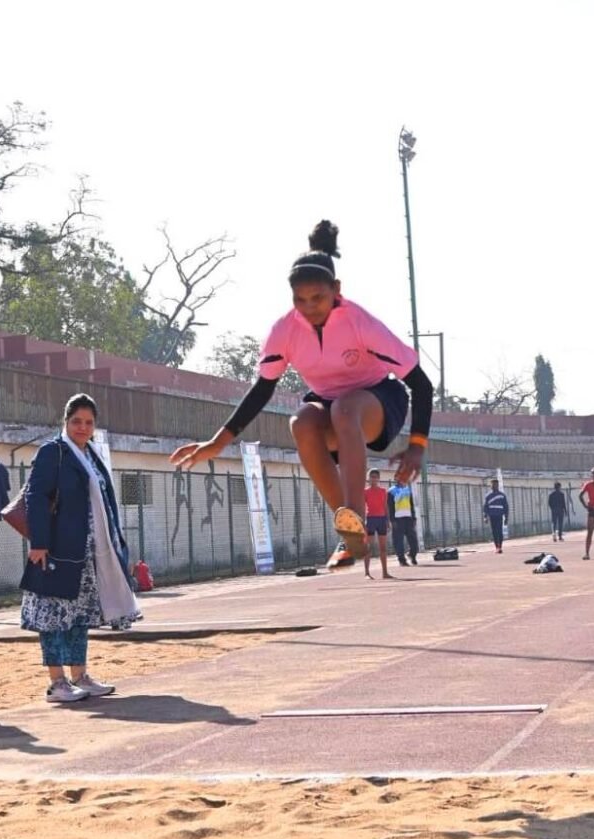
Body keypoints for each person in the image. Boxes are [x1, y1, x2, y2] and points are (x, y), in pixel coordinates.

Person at [168, 220, 434, 565]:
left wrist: (417, 447)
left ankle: (356, 514)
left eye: (318, 298)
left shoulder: (361, 323)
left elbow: (421, 384)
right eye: (300, 300)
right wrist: (219, 441)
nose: (310, 308)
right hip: (328, 402)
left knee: (344, 409)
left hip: (378, 399)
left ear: (337, 289)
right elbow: (263, 388)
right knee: (301, 422)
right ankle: (349, 530)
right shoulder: (285, 331)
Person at [20, 393, 140, 702]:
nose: (82, 428)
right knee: (53, 615)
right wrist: (39, 543)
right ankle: (57, 682)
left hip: (87, 554)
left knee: (79, 616)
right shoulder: (53, 452)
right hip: (56, 550)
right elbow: (36, 496)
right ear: (65, 421)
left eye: (88, 423)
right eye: (76, 421)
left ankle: (79, 675)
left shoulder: (90, 455)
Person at [363, 469, 392, 579]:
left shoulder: (383, 491)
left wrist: (388, 520)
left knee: (383, 548)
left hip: (381, 520)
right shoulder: (365, 491)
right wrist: (363, 521)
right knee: (368, 547)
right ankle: (367, 573)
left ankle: (385, 572)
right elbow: (362, 506)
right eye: (372, 477)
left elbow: (385, 506)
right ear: (368, 478)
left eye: (376, 477)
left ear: (379, 478)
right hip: (370, 519)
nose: (374, 479)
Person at [387, 479, 419, 566]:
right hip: (398, 520)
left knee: (413, 540)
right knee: (398, 541)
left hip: (408, 519)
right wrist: (392, 520)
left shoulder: (408, 490)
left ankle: (412, 555)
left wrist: (414, 517)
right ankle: (402, 560)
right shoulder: (391, 491)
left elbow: (411, 505)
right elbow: (390, 507)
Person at [483, 478, 509, 553]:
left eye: (495, 484)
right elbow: (485, 507)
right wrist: (485, 517)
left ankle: (500, 546)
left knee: (499, 531)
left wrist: (506, 518)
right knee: (494, 531)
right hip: (492, 516)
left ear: (498, 485)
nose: (494, 486)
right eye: (492, 485)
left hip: (499, 515)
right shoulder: (488, 496)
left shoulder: (502, 495)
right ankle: (497, 547)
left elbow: (506, 507)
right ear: (490, 486)